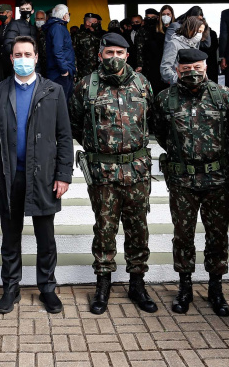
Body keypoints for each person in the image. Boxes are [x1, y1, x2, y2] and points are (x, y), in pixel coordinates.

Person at [0, 35, 73, 315]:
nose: (22, 59)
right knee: (10, 238)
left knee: (46, 238)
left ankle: (47, 288)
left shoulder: (53, 91)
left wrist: (63, 175)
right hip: (8, 177)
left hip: (43, 176)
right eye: (17, 55)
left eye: (27, 54)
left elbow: (64, 136)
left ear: (36, 58)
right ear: (11, 59)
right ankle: (11, 287)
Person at [68, 33, 157, 315]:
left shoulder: (143, 84)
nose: (114, 57)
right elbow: (73, 124)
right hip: (103, 173)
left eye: (119, 52)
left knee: (138, 229)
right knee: (104, 229)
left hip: (137, 171)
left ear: (127, 55)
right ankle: (103, 284)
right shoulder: (86, 86)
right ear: (100, 55)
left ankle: (137, 284)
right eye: (109, 52)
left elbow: (153, 121)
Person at [154, 48, 229, 317]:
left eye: (198, 66)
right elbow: (160, 134)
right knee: (183, 236)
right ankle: (185, 287)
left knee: (217, 236)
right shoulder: (165, 99)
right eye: (186, 67)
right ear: (177, 68)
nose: (192, 71)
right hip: (182, 180)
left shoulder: (224, 96)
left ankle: (216, 289)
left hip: (217, 179)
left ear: (206, 66)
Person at [160, 16, 206, 86]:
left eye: (202, 32)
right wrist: (180, 80)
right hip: (178, 86)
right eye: (199, 31)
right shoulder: (174, 44)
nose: (199, 35)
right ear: (190, 29)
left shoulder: (194, 44)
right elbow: (165, 68)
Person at [43, 4, 76, 100]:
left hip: (60, 71)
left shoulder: (57, 27)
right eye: (68, 14)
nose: (69, 16)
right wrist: (64, 70)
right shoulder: (58, 27)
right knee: (61, 103)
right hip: (59, 74)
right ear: (64, 15)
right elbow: (58, 51)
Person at [72, 13, 104, 81]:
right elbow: (73, 53)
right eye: (95, 22)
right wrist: (75, 71)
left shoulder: (99, 34)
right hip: (84, 70)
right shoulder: (78, 36)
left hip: (98, 68)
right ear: (88, 23)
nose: (97, 24)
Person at [34, 10, 49, 75]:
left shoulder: (49, 31)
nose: (39, 20)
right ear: (35, 19)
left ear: (45, 19)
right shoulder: (31, 30)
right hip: (35, 63)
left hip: (47, 64)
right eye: (38, 18)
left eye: (41, 18)